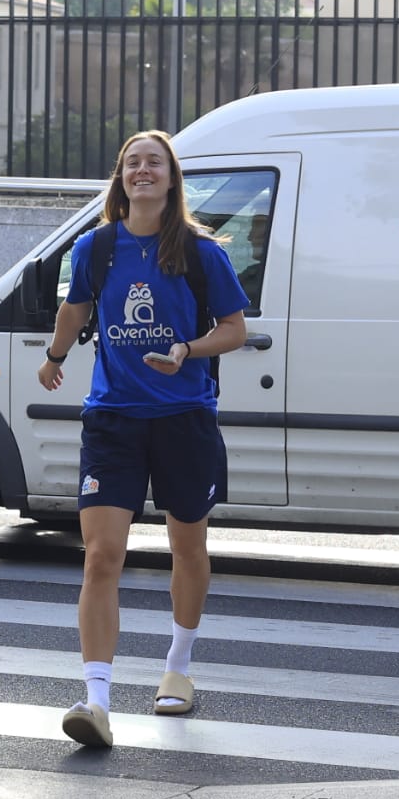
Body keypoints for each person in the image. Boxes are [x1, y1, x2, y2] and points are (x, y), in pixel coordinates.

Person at [37, 130, 249, 749]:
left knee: (188, 547)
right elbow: (75, 310)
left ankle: (178, 667)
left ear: (172, 177)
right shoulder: (96, 247)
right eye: (133, 163)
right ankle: (96, 701)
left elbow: (234, 329)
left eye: (153, 162)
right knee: (101, 555)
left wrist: (188, 348)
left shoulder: (202, 252)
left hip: (184, 415)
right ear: (120, 178)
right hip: (113, 419)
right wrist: (54, 356)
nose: (142, 171)